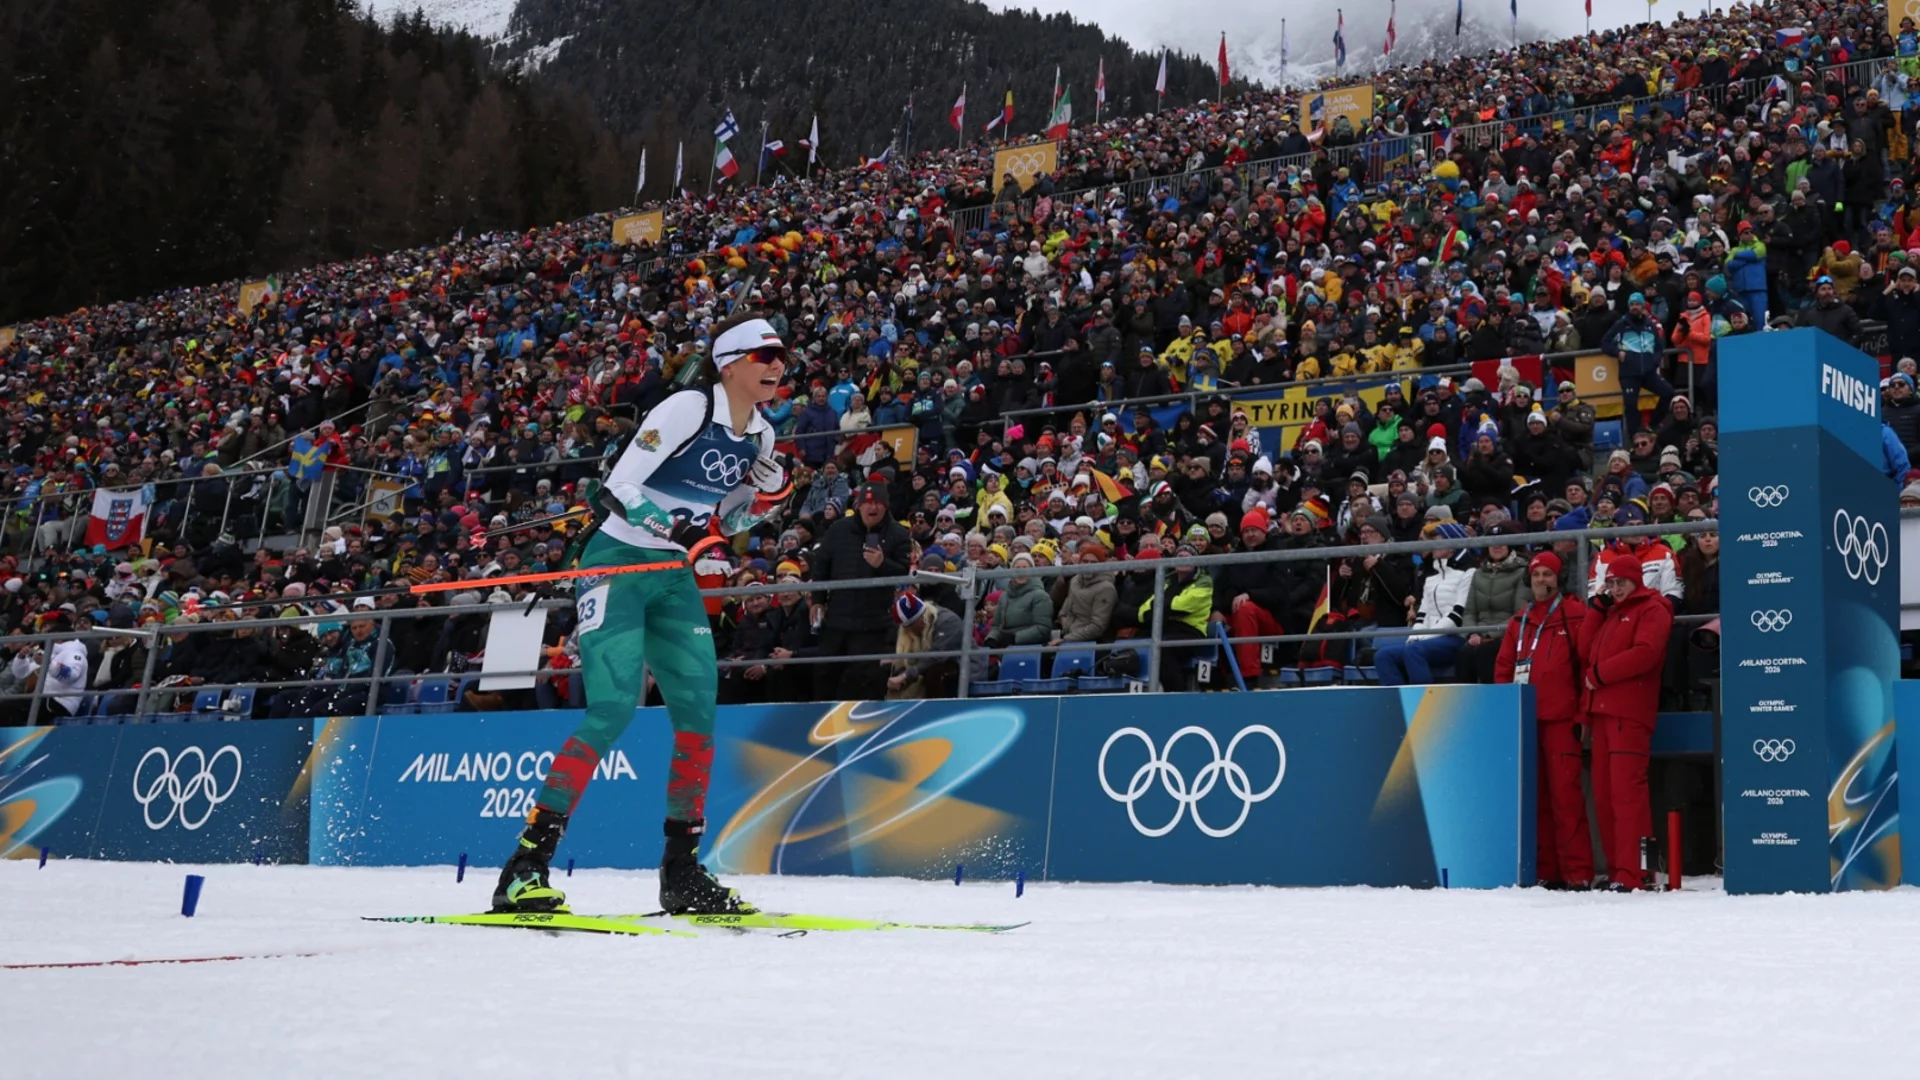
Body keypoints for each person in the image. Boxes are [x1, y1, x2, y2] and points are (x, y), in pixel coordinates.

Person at [493, 313, 793, 917]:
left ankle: (681, 872)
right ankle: (524, 869)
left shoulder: (761, 434)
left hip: (670, 574)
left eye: (782, 356)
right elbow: (620, 485)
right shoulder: (688, 406)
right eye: (766, 356)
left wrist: (769, 495)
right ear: (730, 363)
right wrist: (664, 523)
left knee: (698, 716)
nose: (779, 365)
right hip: (618, 559)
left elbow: (730, 521)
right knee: (613, 707)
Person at [1495, 552, 1592, 890]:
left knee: (1566, 798)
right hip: (1526, 721)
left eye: (1547, 575)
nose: (1541, 581)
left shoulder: (1576, 615)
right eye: (1536, 575)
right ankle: (1547, 871)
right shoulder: (1520, 620)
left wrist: (1582, 713)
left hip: (1562, 719)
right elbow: (1504, 670)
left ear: (1558, 578)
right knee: (1535, 800)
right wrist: (1507, 715)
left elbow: (1585, 668)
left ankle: (1577, 872)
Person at [1577, 552, 1674, 891]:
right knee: (1605, 796)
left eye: (1621, 582)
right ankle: (1621, 870)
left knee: (1626, 796)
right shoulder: (1611, 613)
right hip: (1603, 713)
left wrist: (1600, 675)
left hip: (1628, 714)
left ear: (1637, 581)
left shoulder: (1652, 608)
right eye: (1611, 583)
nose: (1615, 588)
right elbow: (1584, 649)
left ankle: (1635, 872)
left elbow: (1646, 653)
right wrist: (1597, 608)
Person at [811, 478, 913, 701]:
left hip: (872, 622)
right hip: (836, 618)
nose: (873, 507)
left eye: (878, 503)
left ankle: (865, 726)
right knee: (825, 674)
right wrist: (818, 599)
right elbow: (821, 565)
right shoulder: (838, 529)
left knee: (864, 679)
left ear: (886, 506)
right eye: (868, 502)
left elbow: (903, 573)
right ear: (858, 505)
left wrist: (882, 564)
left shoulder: (899, 534)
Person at [1375, 522, 1475, 686]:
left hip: (1455, 638)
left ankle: (1424, 702)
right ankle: (1397, 704)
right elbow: (1422, 614)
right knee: (1384, 655)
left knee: (1415, 650)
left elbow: (1457, 615)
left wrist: (1423, 638)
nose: (1433, 545)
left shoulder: (1468, 573)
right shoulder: (1430, 578)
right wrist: (1414, 637)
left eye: (1439, 540)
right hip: (1427, 640)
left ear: (1453, 546)